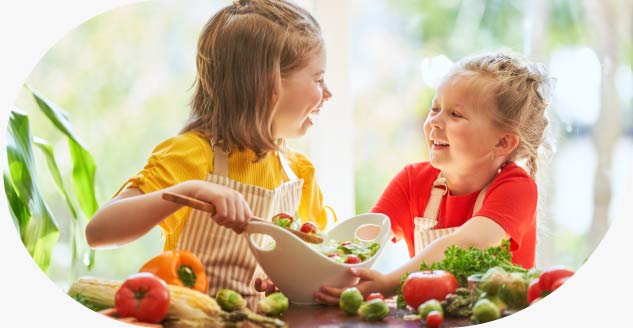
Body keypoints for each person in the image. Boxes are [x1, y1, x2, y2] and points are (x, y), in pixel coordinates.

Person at [86, 0, 333, 308]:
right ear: (268, 86)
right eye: (319, 79)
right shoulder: (190, 155)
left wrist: (294, 281)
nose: (328, 93)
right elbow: (99, 231)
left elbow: (326, 254)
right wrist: (191, 189)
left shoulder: (298, 172)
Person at [315, 51, 553, 304]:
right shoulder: (411, 181)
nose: (434, 122)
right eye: (435, 108)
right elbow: (359, 241)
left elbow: (467, 243)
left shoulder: (517, 188)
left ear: (502, 142)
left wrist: (389, 283)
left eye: (455, 114)